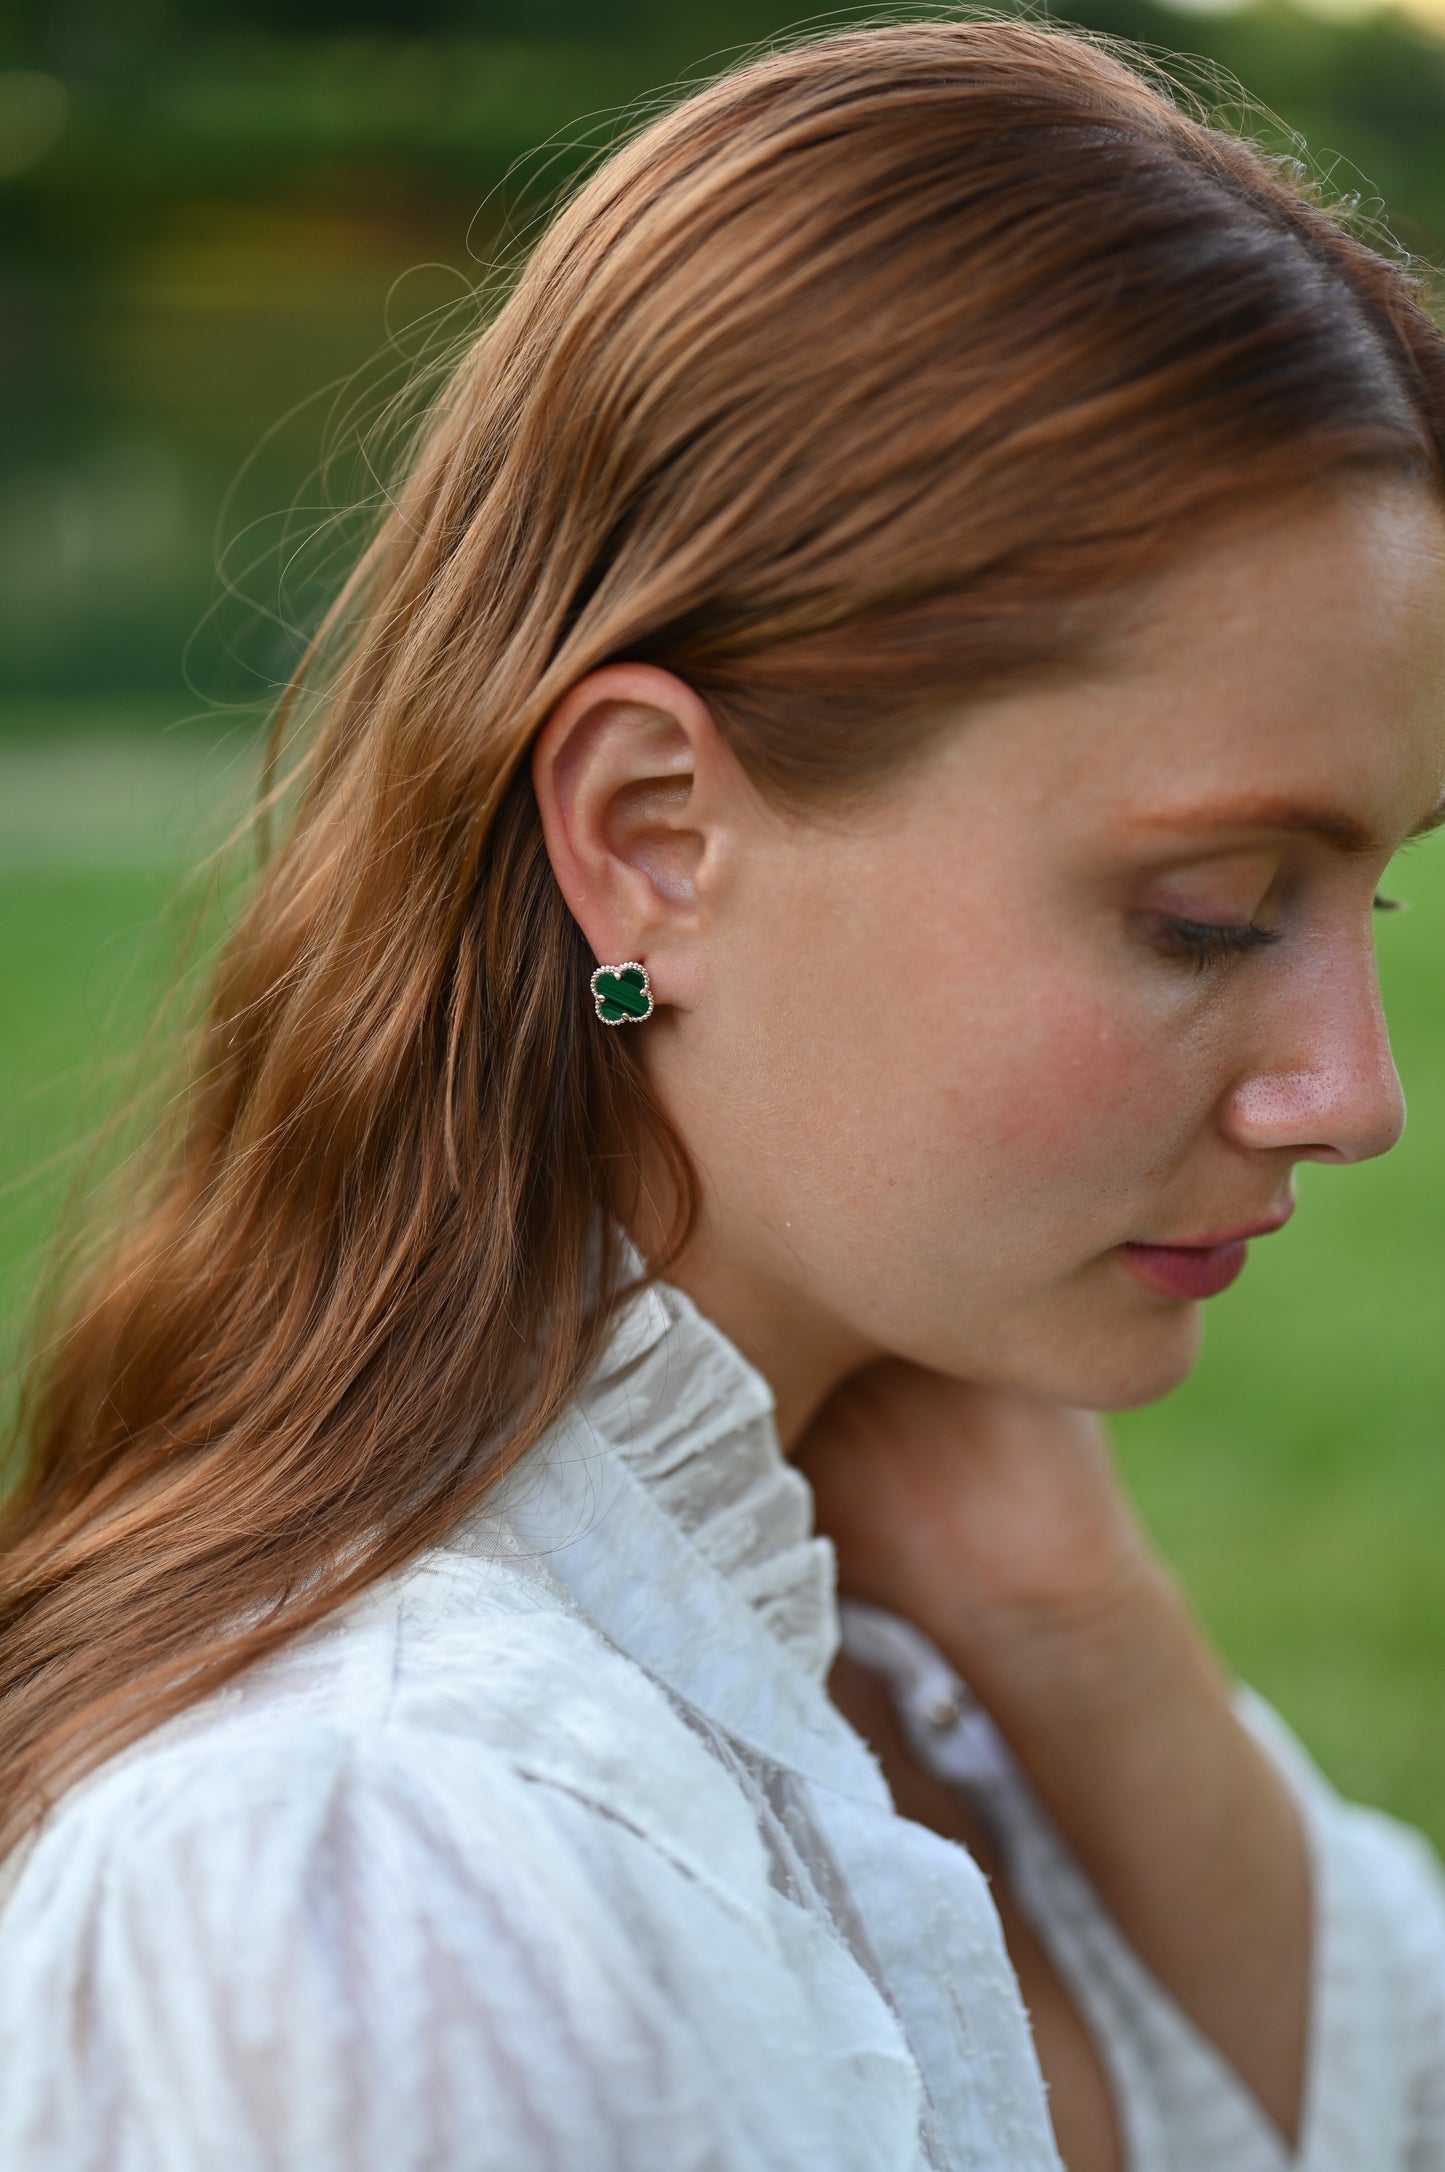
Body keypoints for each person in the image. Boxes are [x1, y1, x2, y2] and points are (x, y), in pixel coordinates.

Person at [2, 16, 1444, 2169]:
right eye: (1215, 912)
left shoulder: (903, 1635)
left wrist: (1086, 1649)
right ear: (657, 831)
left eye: (1377, 904)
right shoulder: (392, 1878)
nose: (1356, 1095)